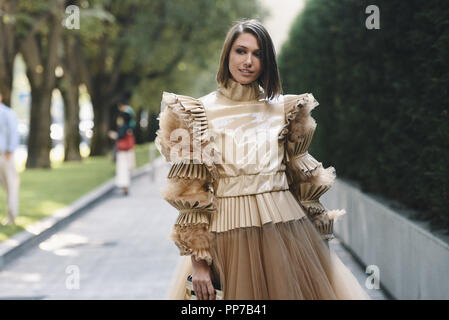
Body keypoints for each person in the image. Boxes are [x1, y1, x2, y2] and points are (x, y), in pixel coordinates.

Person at [155, 19, 371, 300]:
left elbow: (302, 185)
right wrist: (199, 263)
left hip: (288, 236)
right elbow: (191, 193)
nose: (248, 61)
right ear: (227, 55)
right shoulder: (198, 112)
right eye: (240, 51)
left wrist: (319, 246)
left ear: (267, 61)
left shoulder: (286, 110)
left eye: (257, 54)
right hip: (227, 241)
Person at [0, 92, 20, 225]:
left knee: (10, 186)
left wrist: (10, 150)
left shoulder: (7, 113)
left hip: (5, 156)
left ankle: (12, 216)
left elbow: (14, 132)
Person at [109, 111, 135, 196]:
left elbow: (120, 136)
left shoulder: (123, 127)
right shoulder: (129, 128)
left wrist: (113, 135)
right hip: (128, 151)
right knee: (126, 169)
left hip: (123, 152)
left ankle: (125, 188)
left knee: (122, 169)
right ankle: (125, 188)